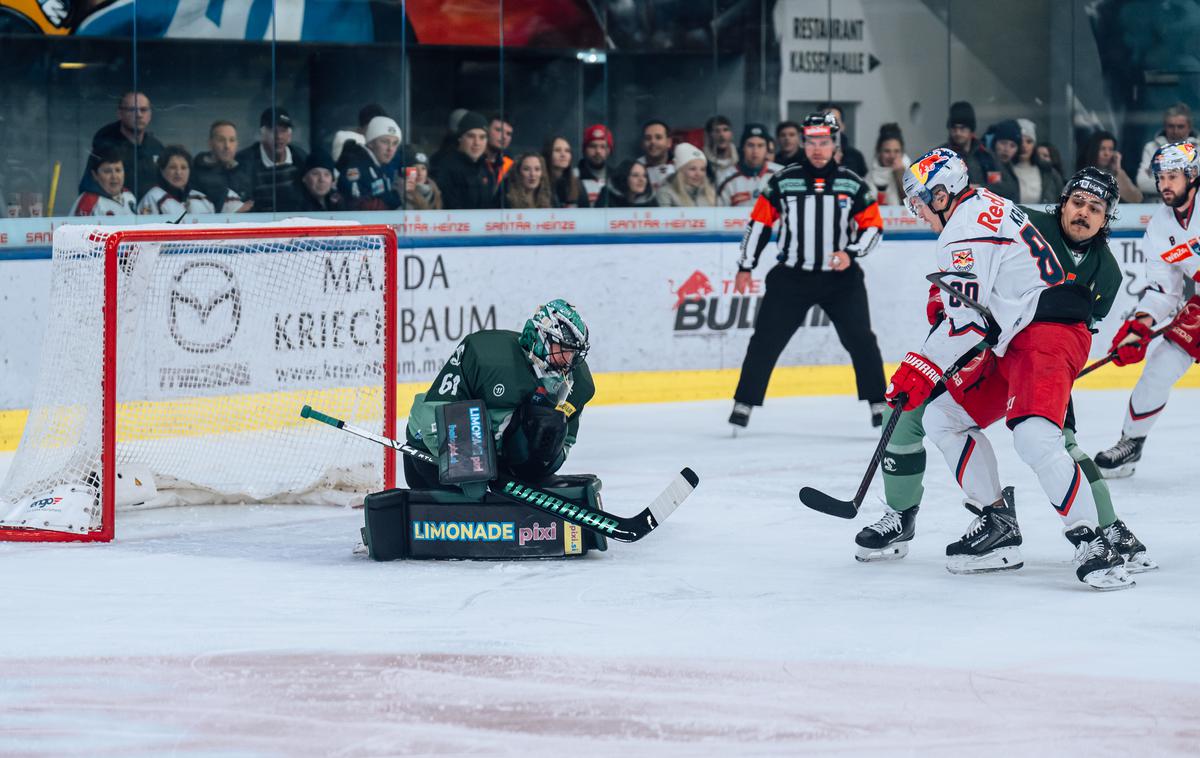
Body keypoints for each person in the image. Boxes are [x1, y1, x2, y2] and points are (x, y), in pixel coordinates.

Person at [858, 164, 1155, 578]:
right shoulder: (1018, 216)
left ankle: (1096, 537)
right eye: (1077, 202)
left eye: (1095, 207)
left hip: (1046, 337)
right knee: (941, 417)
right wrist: (942, 307)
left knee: (1042, 436)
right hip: (1004, 339)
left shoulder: (1106, 269)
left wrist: (925, 362)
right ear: (1063, 202)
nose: (1083, 213)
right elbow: (970, 284)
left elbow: (1075, 331)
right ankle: (997, 521)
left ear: (1107, 217)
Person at [729, 112, 886, 430]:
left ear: (834, 144)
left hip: (841, 279)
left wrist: (850, 253)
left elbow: (874, 228)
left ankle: (878, 403)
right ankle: (744, 402)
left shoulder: (852, 183)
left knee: (861, 339)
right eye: (812, 142)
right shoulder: (783, 181)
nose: (817, 149)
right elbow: (759, 223)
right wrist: (746, 266)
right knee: (765, 340)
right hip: (792, 277)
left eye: (824, 142)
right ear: (803, 143)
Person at [404, 299, 594, 491]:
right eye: (563, 349)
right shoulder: (485, 355)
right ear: (542, 338)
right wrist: (467, 467)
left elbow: (567, 440)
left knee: (547, 423)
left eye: (573, 353)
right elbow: (435, 407)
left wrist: (545, 461)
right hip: (432, 453)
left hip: (500, 461)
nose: (568, 360)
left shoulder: (577, 381)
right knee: (469, 425)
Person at [1096, 142, 1200, 478]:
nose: (1165, 184)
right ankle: (1131, 443)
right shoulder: (1159, 229)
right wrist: (1139, 326)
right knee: (1159, 367)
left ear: (1192, 175)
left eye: (1173, 176)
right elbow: (1163, 291)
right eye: (1161, 177)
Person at [85, 91, 164, 200]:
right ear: (120, 113)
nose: (139, 115)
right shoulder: (105, 147)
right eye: (132, 110)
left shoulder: (156, 147)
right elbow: (89, 188)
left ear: (150, 115)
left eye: (143, 110)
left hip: (151, 214)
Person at [236, 107, 307, 213]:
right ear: (262, 134)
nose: (279, 136)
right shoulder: (244, 161)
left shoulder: (301, 158)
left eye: (283, 131)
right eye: (273, 131)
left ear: (290, 135)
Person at [336, 115, 403, 210]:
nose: (390, 148)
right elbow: (359, 207)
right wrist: (398, 195)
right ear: (370, 143)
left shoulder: (380, 166)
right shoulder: (356, 167)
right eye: (385, 142)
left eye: (395, 143)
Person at [137, 145, 227, 215]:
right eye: (172, 167)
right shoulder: (153, 198)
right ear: (162, 170)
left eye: (183, 168)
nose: (178, 172)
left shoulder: (202, 199)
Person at [434, 111, 496, 210]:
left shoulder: (486, 169)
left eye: (482, 137)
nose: (477, 143)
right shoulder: (446, 168)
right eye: (471, 136)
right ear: (460, 138)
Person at [1136, 102, 1197, 199]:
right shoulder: (1151, 148)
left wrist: (1163, 182)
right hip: (1156, 205)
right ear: (1165, 126)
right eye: (1171, 126)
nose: (1175, 131)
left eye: (1180, 127)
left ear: (1189, 128)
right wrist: (1183, 184)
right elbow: (1142, 183)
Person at [191, 120, 252, 213]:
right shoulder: (197, 175)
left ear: (237, 144)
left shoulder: (244, 172)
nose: (227, 146)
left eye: (232, 140)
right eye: (221, 140)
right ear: (210, 143)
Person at [716, 123, 780, 207]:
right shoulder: (726, 178)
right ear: (743, 147)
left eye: (760, 146)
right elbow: (720, 215)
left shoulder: (781, 174)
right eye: (750, 145)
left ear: (767, 149)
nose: (755, 151)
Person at [941, 101, 997, 186]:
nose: (958, 133)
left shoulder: (985, 155)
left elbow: (998, 186)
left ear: (971, 130)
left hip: (982, 198)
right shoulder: (941, 155)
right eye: (954, 128)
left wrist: (979, 188)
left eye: (962, 128)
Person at [1077, 131, 1142, 203]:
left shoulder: (1114, 174)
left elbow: (1136, 199)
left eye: (1110, 149)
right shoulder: (1083, 173)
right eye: (1102, 149)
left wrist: (1117, 171)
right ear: (1094, 150)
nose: (1107, 153)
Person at [1010, 118, 1063, 204]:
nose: (1024, 145)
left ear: (1034, 145)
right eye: (1020, 141)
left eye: (1029, 141)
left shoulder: (1048, 172)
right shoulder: (1004, 171)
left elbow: (1061, 201)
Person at [69, 150, 136, 216]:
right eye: (107, 171)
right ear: (95, 175)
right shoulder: (88, 202)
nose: (114, 176)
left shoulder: (129, 195)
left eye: (118, 170)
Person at [655, 142, 716, 207]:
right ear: (681, 171)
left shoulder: (710, 194)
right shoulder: (666, 194)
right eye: (692, 169)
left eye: (702, 169)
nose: (698, 174)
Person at [866, 123, 910, 206]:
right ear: (879, 152)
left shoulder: (913, 175)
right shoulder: (869, 178)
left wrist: (900, 174)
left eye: (896, 151)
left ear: (902, 152)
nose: (892, 156)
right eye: (887, 151)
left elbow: (913, 203)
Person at [819, 103, 867, 177]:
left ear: (842, 126)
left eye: (835, 121)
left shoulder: (855, 156)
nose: (831, 126)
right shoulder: (809, 155)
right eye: (826, 121)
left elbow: (862, 183)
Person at [984, 119, 1022, 201]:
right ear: (995, 143)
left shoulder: (1011, 166)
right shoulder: (991, 163)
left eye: (1012, 146)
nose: (1006, 149)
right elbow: (996, 189)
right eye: (1003, 143)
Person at [542, 136, 584, 208]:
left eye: (567, 151)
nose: (563, 155)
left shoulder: (578, 185)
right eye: (557, 150)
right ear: (548, 154)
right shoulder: (539, 183)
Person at [578, 124, 612, 206]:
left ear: (609, 150)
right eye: (593, 146)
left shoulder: (616, 179)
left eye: (603, 147)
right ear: (584, 150)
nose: (598, 151)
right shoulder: (574, 177)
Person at [637, 119, 675, 193]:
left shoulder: (680, 167)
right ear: (642, 143)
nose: (653, 142)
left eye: (658, 137)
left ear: (669, 142)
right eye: (648, 138)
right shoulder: (633, 168)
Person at [400, 146, 443, 210]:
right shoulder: (399, 194)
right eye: (415, 169)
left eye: (423, 168)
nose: (420, 173)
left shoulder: (436, 194)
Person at [484, 114, 515, 195]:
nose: (504, 137)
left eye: (508, 134)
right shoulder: (474, 161)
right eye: (498, 130)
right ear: (486, 130)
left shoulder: (510, 166)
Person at [703, 115, 738, 181]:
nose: (722, 135)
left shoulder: (742, 159)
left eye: (725, 130)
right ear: (709, 135)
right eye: (717, 131)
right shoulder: (702, 162)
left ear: (731, 134)